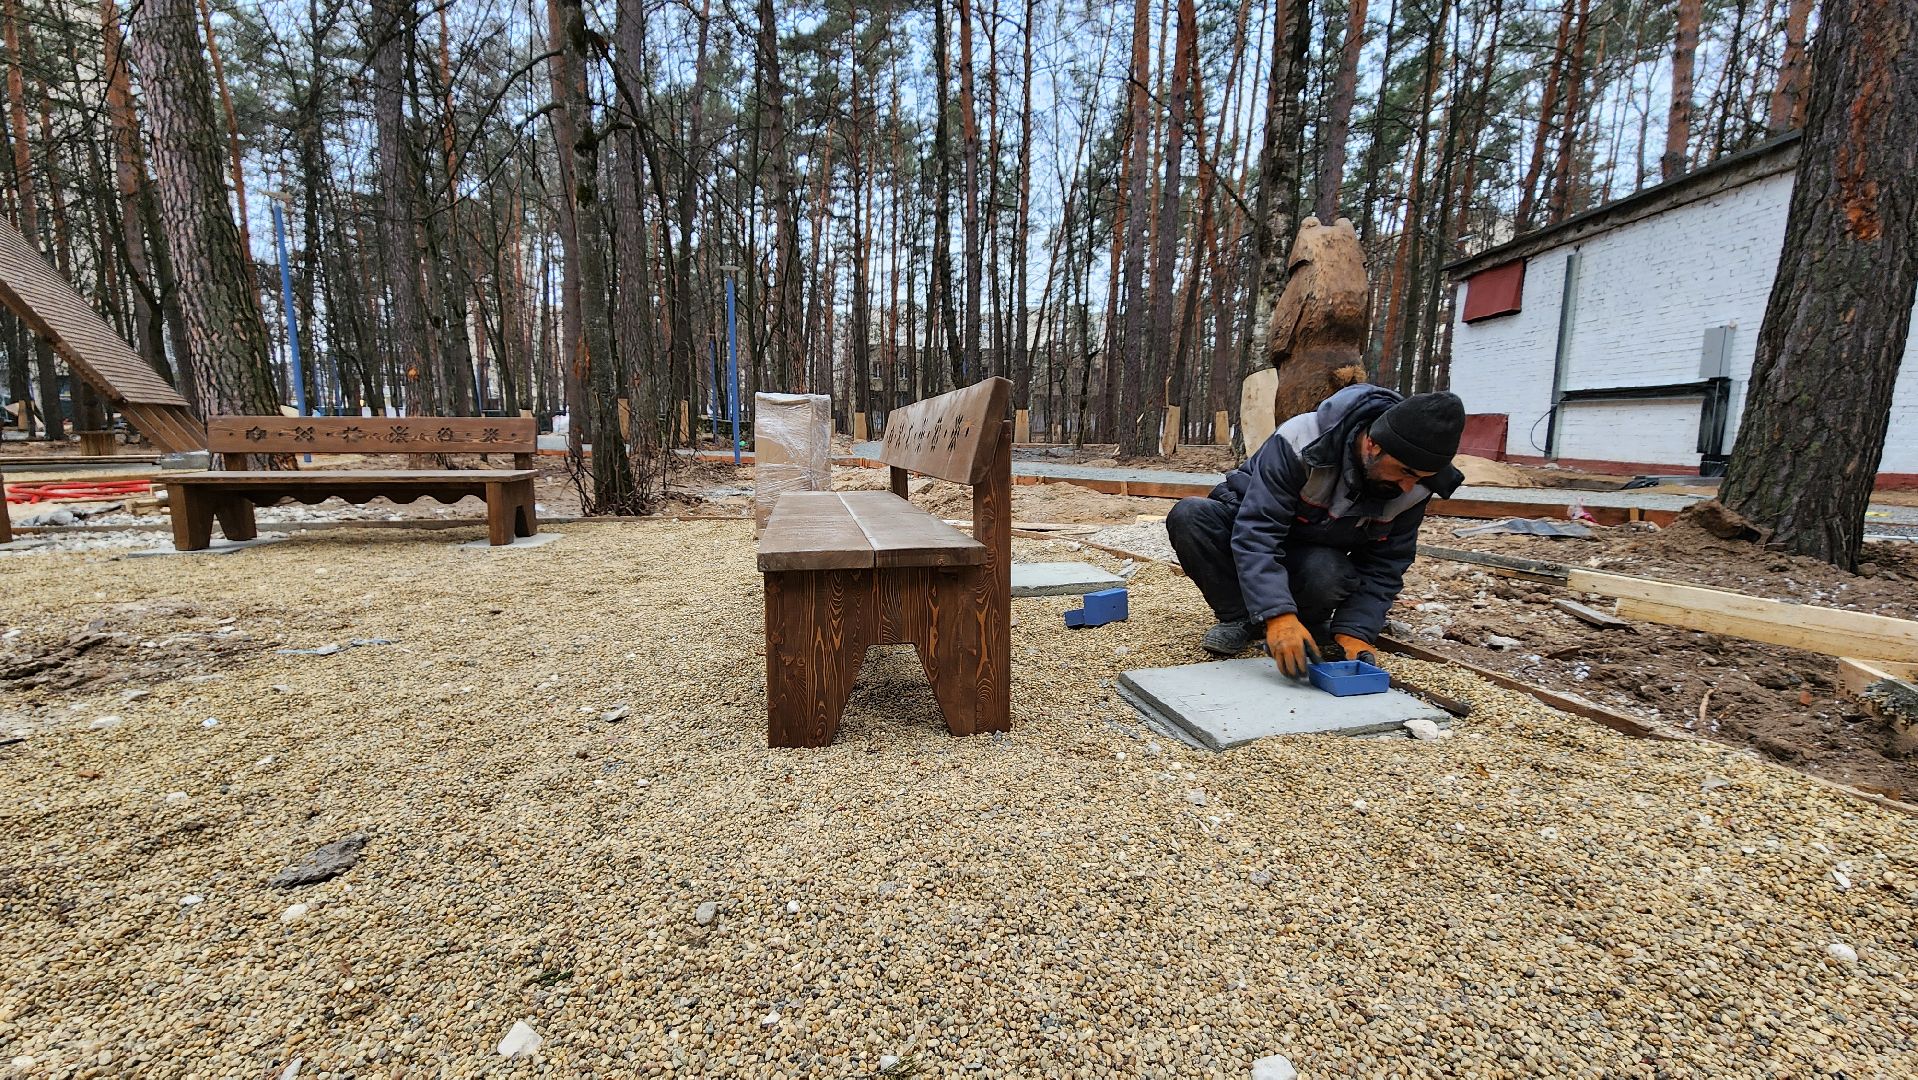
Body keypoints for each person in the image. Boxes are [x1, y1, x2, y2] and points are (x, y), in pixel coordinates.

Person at [1166, 384, 1466, 678]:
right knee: (1191, 516)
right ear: (1373, 445)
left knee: (1326, 570)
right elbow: (1257, 532)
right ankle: (1240, 618)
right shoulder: (1301, 440)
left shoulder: (1415, 486)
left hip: (1313, 554)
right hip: (1248, 529)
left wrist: (1355, 632)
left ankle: (1307, 623)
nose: (1408, 487)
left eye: (1421, 478)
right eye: (1405, 472)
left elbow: (1386, 564)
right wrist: (1278, 616)